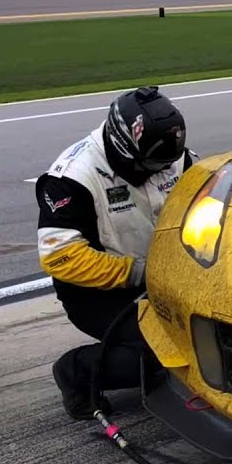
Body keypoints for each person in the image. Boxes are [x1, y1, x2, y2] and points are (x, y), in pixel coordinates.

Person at [37, 87, 191, 420]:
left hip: (163, 277)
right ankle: (76, 370)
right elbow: (60, 256)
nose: (161, 170)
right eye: (152, 164)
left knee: (211, 335)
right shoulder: (72, 177)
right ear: (124, 148)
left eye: (167, 163)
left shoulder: (170, 155)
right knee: (163, 354)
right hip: (99, 294)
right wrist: (136, 273)